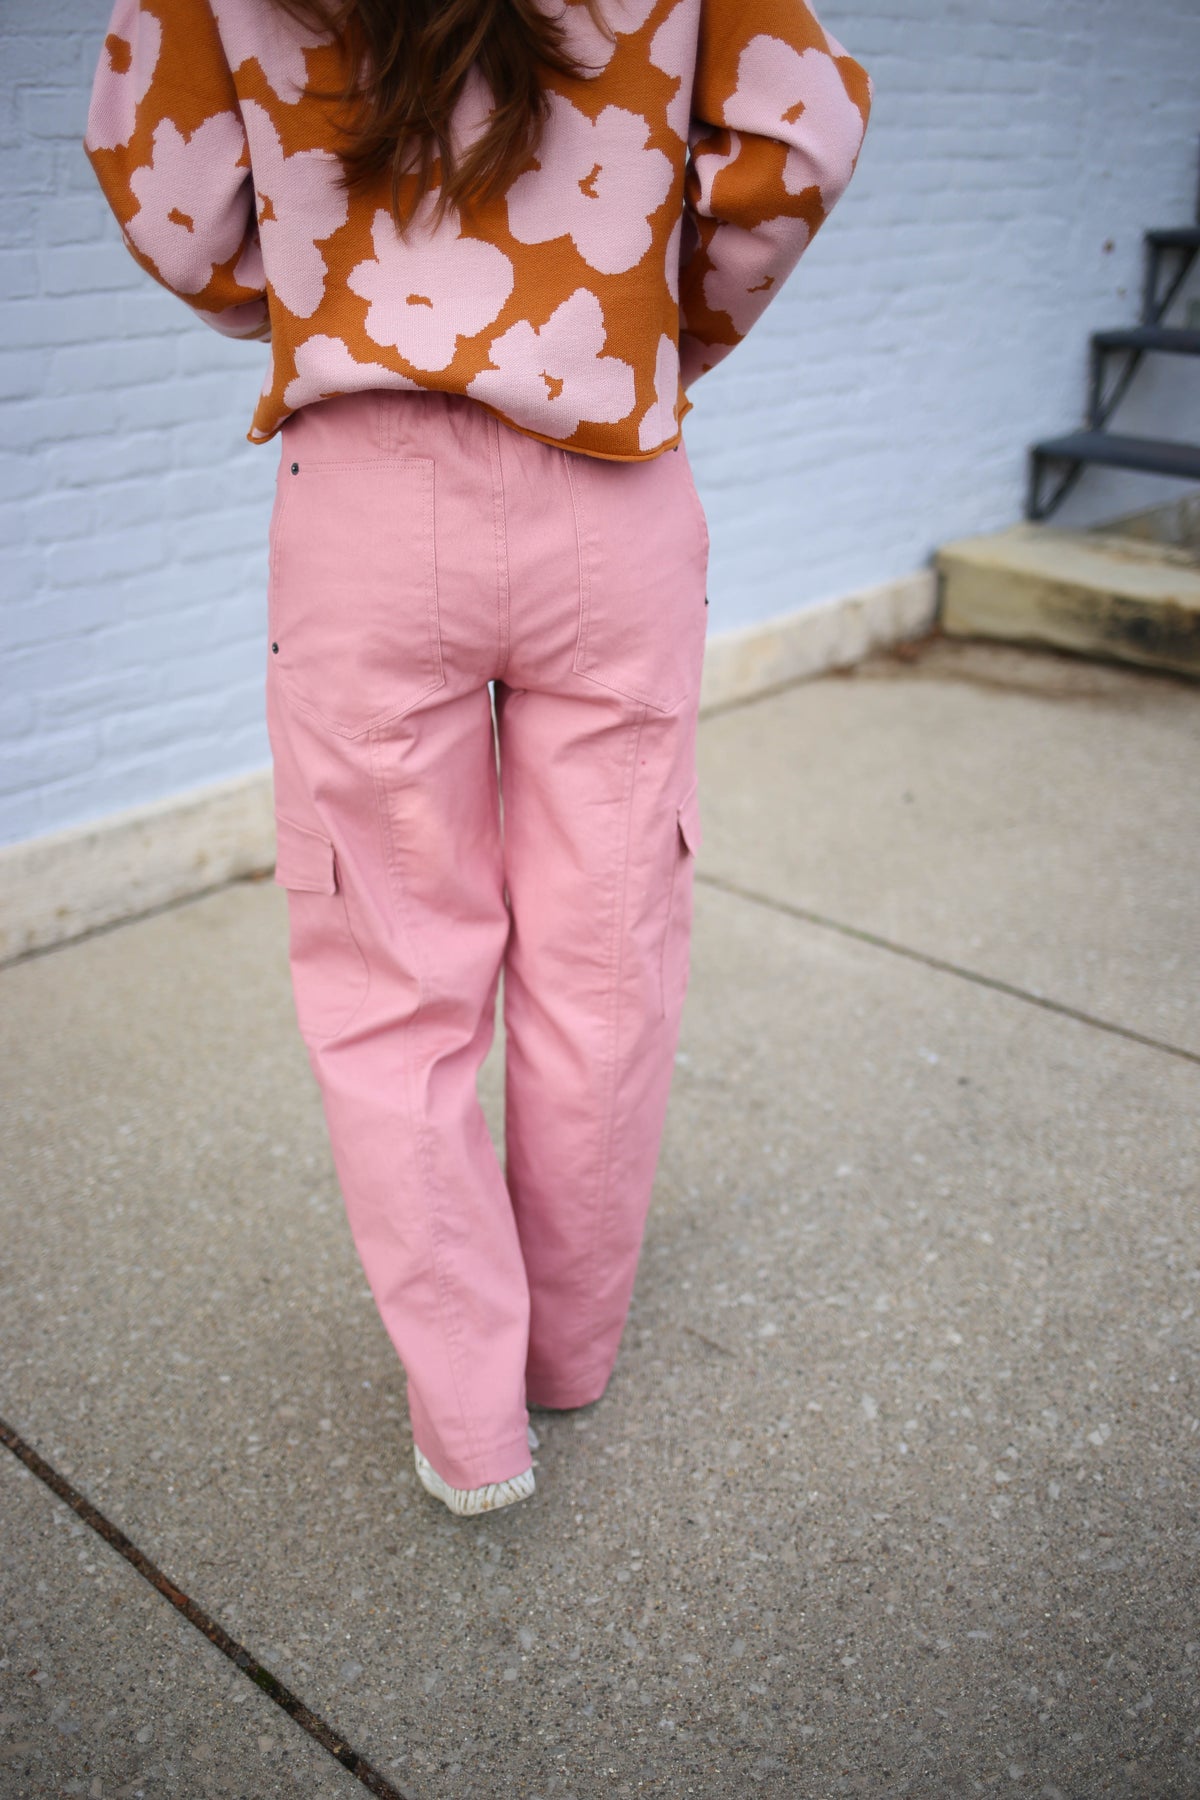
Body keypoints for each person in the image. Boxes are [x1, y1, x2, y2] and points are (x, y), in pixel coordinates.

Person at [85, 0, 871, 1517]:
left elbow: (170, 198)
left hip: (366, 500)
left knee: (394, 983)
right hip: (612, 482)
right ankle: (568, 1357)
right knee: (607, 951)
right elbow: (795, 136)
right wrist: (662, 324)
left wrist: (323, 297)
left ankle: (469, 1423)